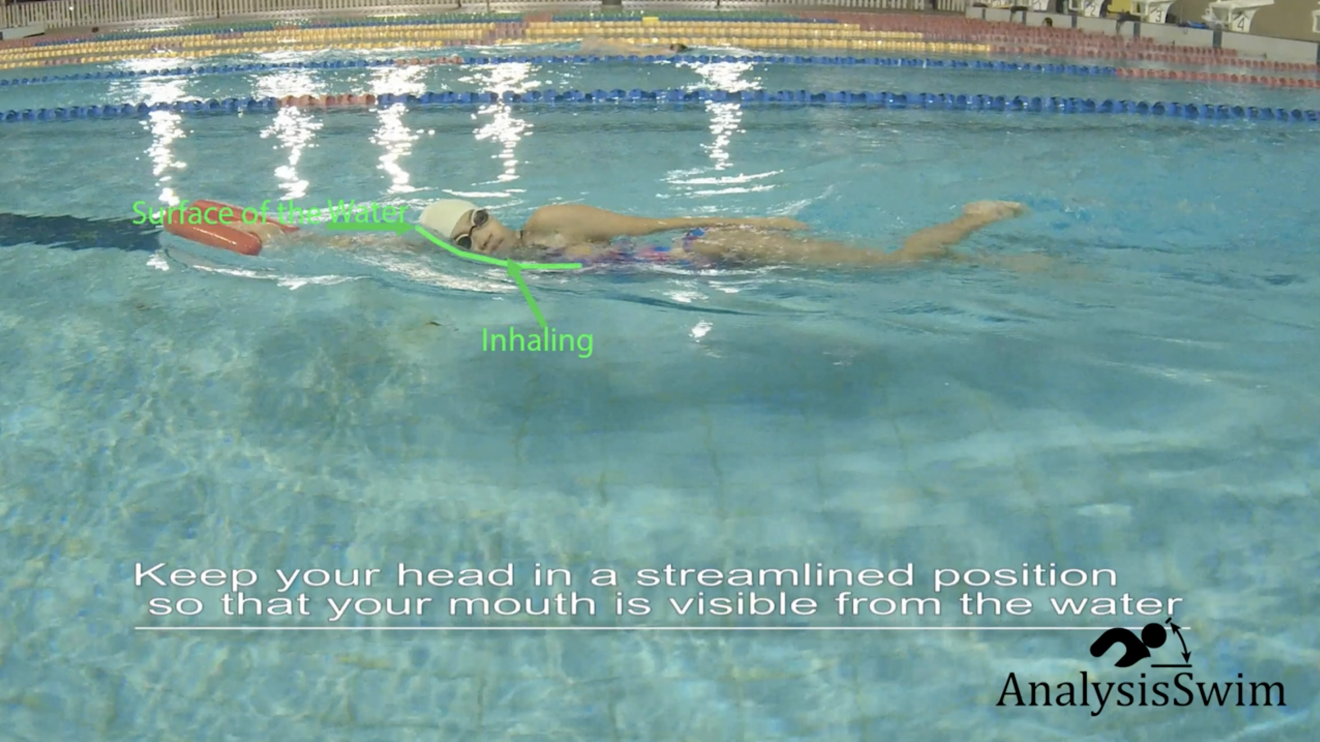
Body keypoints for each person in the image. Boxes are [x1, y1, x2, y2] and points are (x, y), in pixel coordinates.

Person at [408, 199, 1027, 268]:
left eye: (478, 221)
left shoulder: (551, 222)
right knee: (873, 265)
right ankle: (993, 263)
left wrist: (758, 224)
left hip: (713, 247)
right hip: (704, 271)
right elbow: (400, 246)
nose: (480, 238)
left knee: (888, 266)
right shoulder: (521, 265)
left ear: (491, 212)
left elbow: (660, 226)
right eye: (463, 241)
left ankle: (972, 219)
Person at [576, 36, 689, 56]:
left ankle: (595, 45)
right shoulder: (667, 51)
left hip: (639, 52)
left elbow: (649, 52)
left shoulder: (667, 51)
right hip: (639, 52)